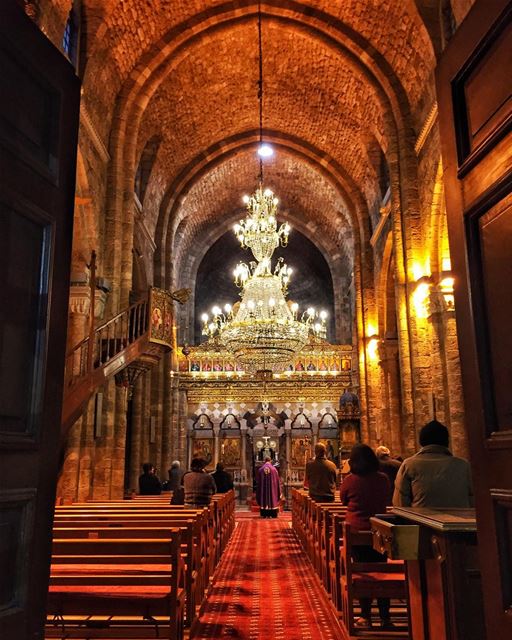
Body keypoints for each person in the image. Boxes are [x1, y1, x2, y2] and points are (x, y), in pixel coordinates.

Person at [340, 444, 393, 630]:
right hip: (379, 530)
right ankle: (385, 617)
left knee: (362, 572)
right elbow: (387, 499)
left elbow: (343, 500)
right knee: (382, 571)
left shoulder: (350, 480)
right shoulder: (383, 479)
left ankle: (365, 615)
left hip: (356, 530)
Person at [393, 420, 473, 508]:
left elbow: (400, 503)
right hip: (460, 520)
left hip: (421, 520)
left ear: (421, 441)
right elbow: (473, 499)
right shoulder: (463, 465)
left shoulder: (409, 465)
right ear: (447, 441)